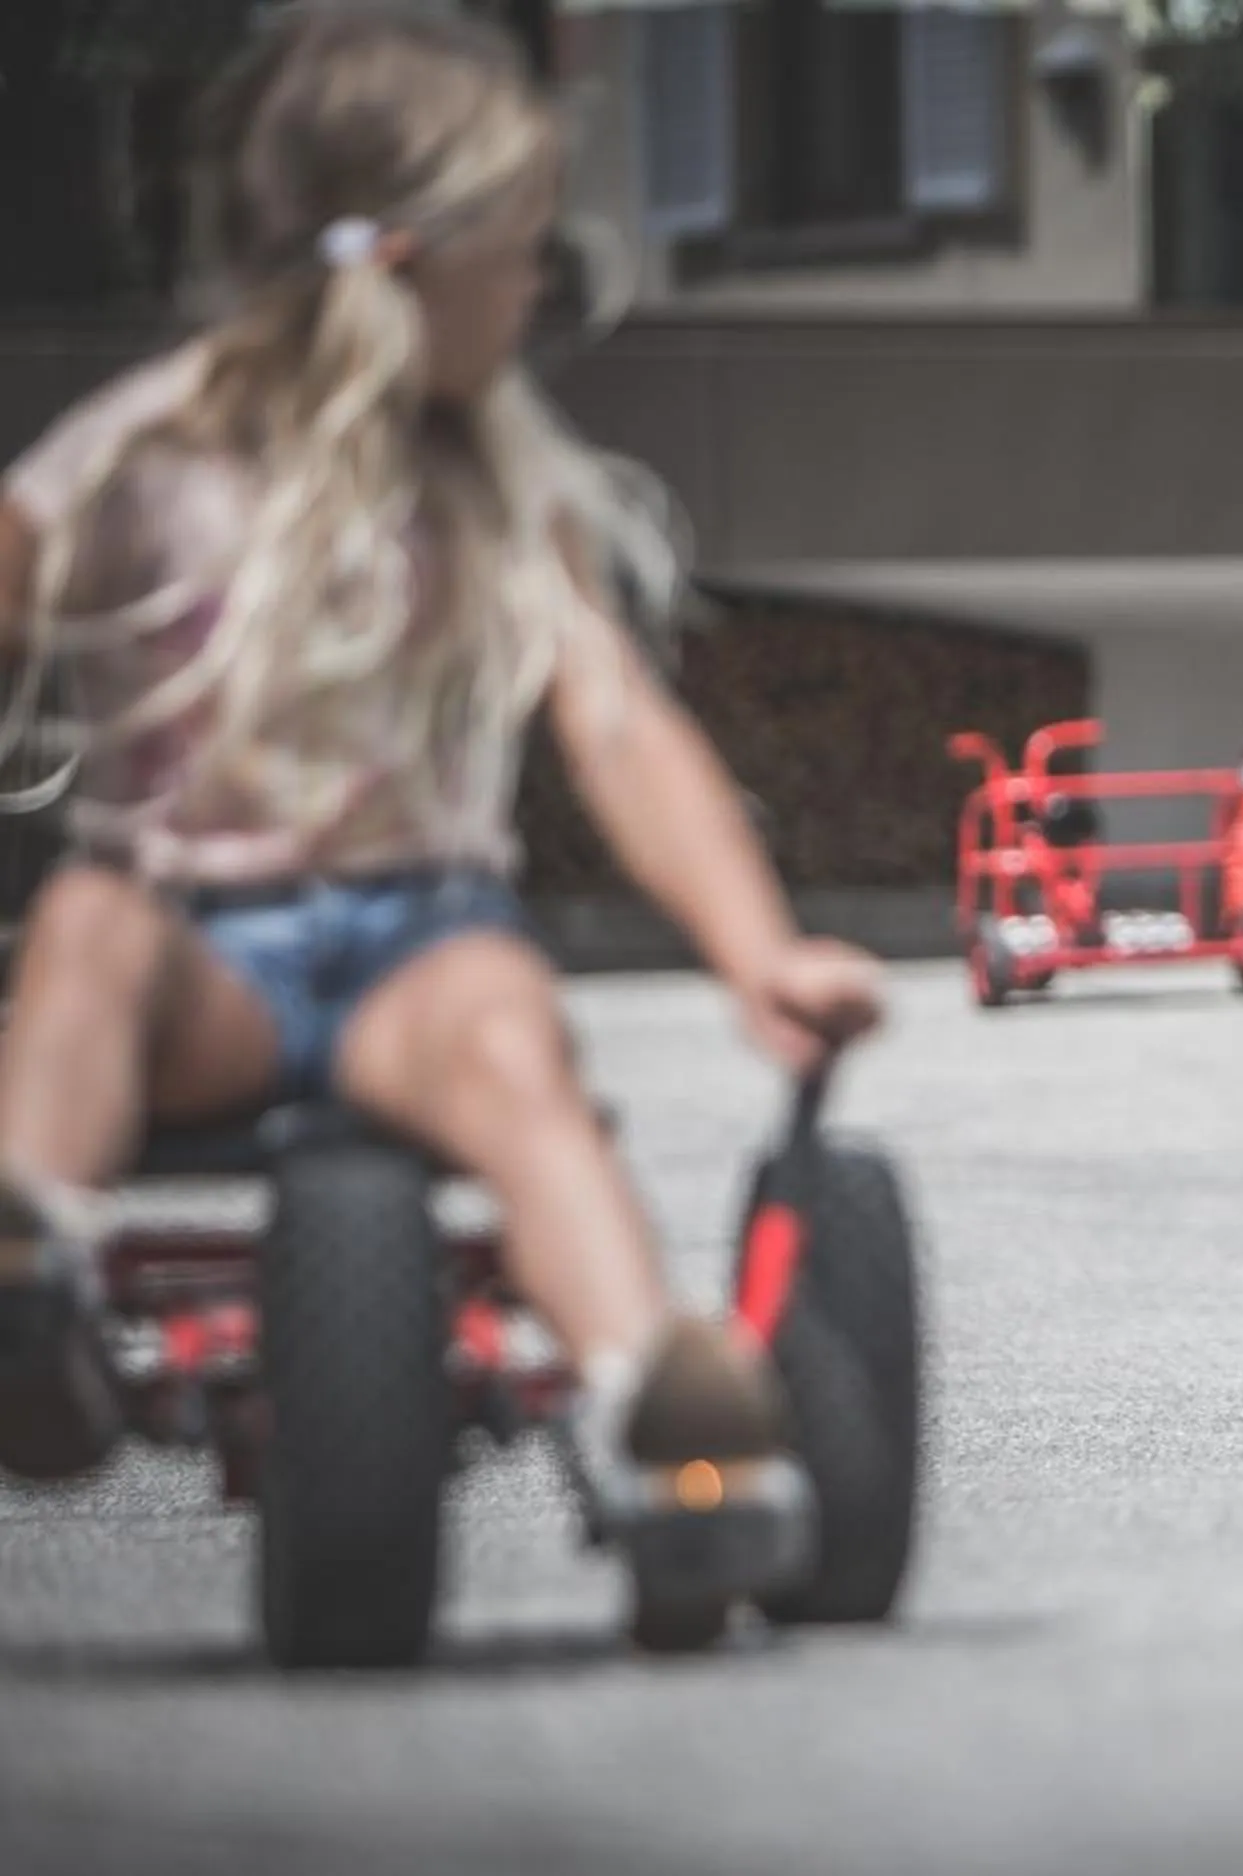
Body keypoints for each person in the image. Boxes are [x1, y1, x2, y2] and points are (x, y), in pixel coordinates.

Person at [0, 4, 883, 1502]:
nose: (543, 287)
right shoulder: (142, 455)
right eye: (523, 250)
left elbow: (613, 723)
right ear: (410, 259)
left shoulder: (494, 479)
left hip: (421, 938)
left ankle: (651, 1394)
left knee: (507, 1035)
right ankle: (29, 1265)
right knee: (88, 936)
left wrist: (760, 954)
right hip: (195, 956)